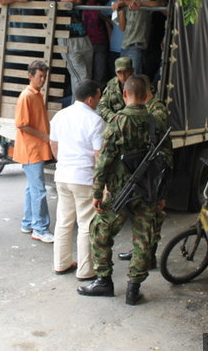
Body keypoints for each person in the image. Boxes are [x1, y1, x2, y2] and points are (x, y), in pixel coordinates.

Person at [77, 75, 162, 305]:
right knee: (144, 240)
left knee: (99, 231)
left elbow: (104, 160)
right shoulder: (156, 122)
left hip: (119, 193)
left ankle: (104, 281)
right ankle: (133, 289)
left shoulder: (117, 122)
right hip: (147, 192)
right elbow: (167, 162)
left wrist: (97, 193)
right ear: (146, 96)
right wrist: (161, 195)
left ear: (124, 95)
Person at [49, 79, 105, 280]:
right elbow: (99, 155)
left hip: (62, 175)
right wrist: (103, 184)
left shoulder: (60, 116)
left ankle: (61, 264)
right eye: (98, 97)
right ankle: (85, 270)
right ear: (90, 99)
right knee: (86, 224)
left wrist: (64, 162)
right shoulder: (96, 121)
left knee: (63, 222)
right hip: (84, 177)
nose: (99, 101)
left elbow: (53, 145)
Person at [118, 77, 172, 265]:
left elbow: (160, 142)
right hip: (146, 168)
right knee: (145, 217)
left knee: (153, 216)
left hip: (155, 170)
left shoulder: (157, 109)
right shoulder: (146, 109)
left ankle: (149, 256)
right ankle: (142, 252)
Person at [14, 60, 54, 243]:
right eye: (40, 76)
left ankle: (28, 222)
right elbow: (22, 124)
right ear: (31, 76)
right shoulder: (27, 96)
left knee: (32, 188)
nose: (43, 79)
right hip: (31, 150)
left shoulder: (36, 95)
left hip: (34, 149)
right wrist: (43, 136)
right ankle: (40, 228)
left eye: (44, 76)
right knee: (39, 190)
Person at [47, 0, 93, 94]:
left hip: (83, 38)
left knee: (87, 77)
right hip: (69, 41)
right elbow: (76, 0)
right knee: (81, 78)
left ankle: (83, 109)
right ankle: (79, 111)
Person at [112, 0, 166, 75]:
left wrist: (140, 4)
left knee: (135, 78)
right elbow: (122, 27)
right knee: (123, 78)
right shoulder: (124, 3)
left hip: (137, 46)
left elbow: (157, 4)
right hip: (124, 46)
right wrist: (122, 8)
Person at [82, 0, 109, 84]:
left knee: (100, 74)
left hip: (100, 43)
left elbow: (108, 22)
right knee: (87, 73)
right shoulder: (82, 4)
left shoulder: (101, 6)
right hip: (86, 43)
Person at [97, 57, 133, 122]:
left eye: (126, 71)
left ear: (132, 71)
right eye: (119, 72)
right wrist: (114, 118)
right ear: (115, 72)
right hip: (116, 123)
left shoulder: (140, 84)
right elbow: (102, 106)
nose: (123, 76)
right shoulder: (111, 85)